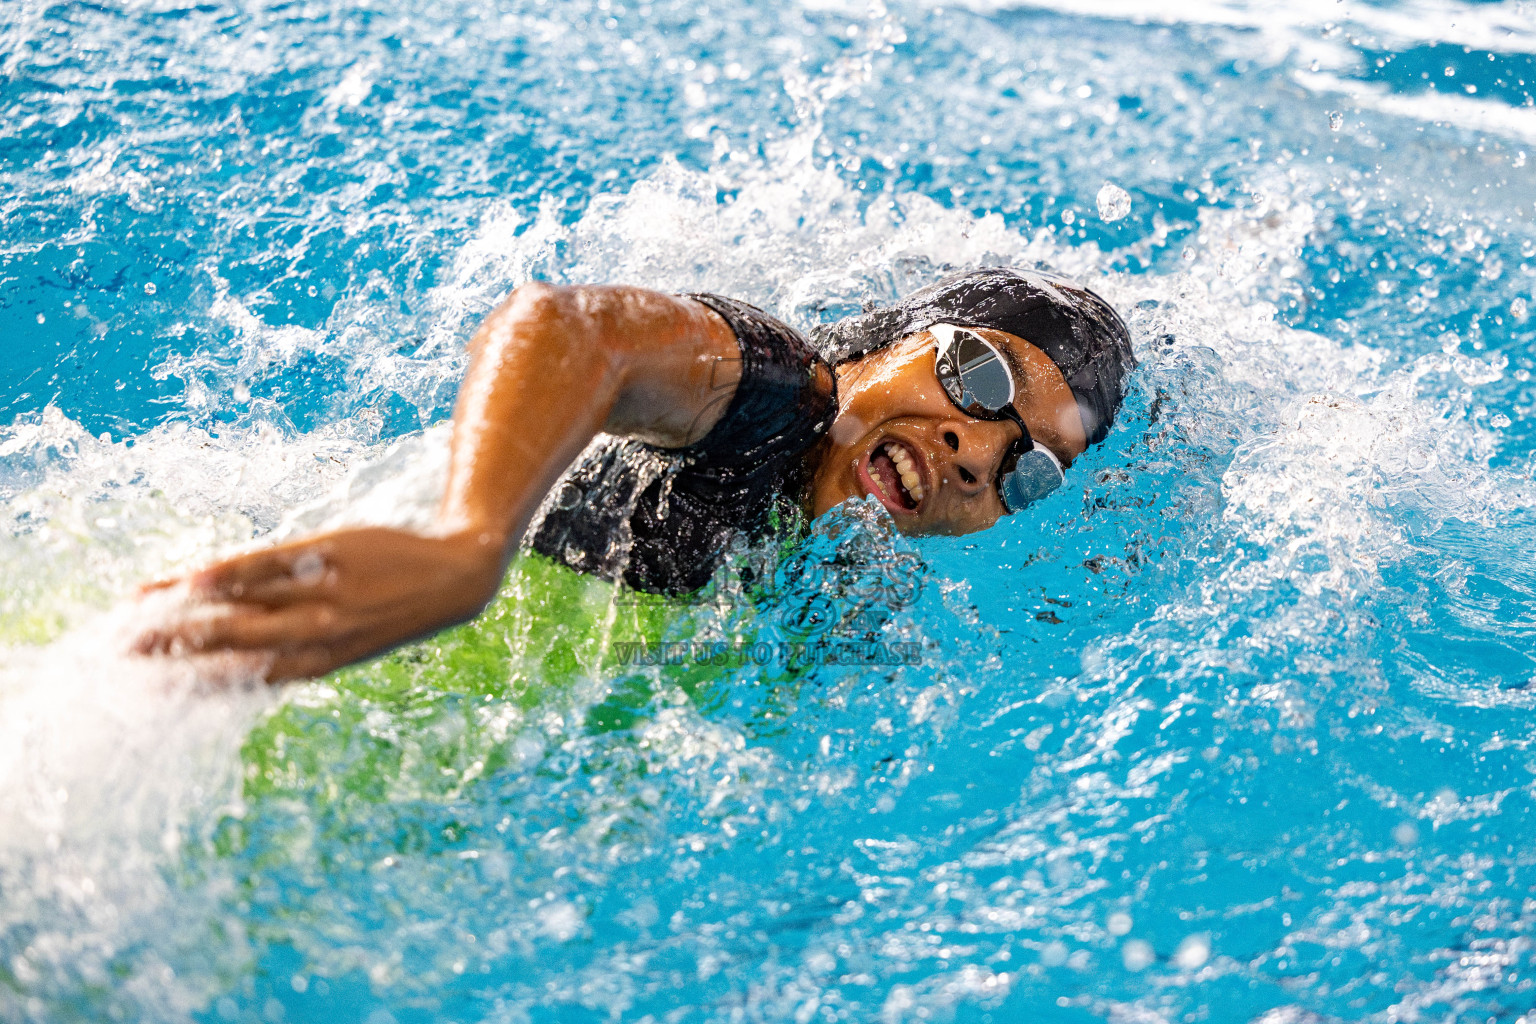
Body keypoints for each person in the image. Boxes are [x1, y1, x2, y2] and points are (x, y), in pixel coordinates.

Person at [134, 267, 1135, 682]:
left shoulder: (848, 595)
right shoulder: (771, 396)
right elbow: (571, 329)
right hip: (278, 609)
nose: (974, 448)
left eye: (1028, 470)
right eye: (979, 374)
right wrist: (467, 541)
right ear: (905, 339)